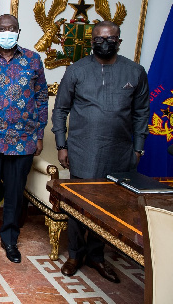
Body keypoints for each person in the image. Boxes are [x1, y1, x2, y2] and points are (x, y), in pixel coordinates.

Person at [53, 20, 150, 283]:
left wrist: (138, 148)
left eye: (110, 38)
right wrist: (62, 145)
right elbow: (60, 109)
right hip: (83, 150)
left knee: (108, 207)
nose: (104, 43)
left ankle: (97, 256)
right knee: (77, 206)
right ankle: (75, 254)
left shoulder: (135, 71)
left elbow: (142, 113)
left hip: (120, 152)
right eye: (99, 39)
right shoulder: (76, 70)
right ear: (91, 41)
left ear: (119, 40)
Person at [0, 14, 48, 264]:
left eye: (12, 28)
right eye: (2, 29)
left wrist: (39, 134)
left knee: (14, 193)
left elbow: (42, 99)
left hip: (23, 138)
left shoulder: (34, 60)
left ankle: (10, 240)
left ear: (19, 31)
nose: (7, 32)